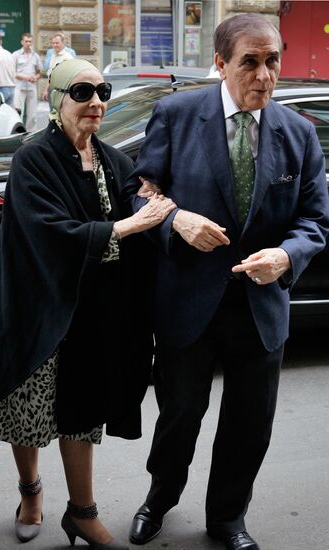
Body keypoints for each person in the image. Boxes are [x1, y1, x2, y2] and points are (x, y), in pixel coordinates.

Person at [125, 13, 329, 550]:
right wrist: (176, 221)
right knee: (179, 417)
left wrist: (286, 256)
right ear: (220, 63)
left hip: (260, 308)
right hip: (187, 303)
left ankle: (227, 519)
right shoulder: (175, 115)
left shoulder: (299, 134)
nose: (265, 75)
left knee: (248, 424)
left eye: (273, 61)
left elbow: (315, 221)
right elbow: (140, 194)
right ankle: (159, 499)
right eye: (250, 62)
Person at [0, 58, 175, 548]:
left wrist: (154, 203)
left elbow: (141, 202)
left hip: (90, 313)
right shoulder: (33, 159)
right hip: (37, 306)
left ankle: (82, 512)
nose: (96, 102)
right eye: (82, 92)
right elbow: (50, 234)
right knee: (29, 409)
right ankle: (31, 492)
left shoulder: (113, 161)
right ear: (56, 99)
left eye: (102, 91)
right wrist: (129, 226)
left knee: (82, 410)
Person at [12, 33, 42, 132]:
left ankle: (30, 134)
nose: (28, 43)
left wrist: (36, 77)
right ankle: (17, 134)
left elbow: (39, 72)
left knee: (32, 115)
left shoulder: (36, 56)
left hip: (31, 87)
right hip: (19, 87)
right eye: (26, 41)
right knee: (18, 112)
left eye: (30, 41)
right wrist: (25, 77)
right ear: (22, 42)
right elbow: (12, 72)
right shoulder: (16, 55)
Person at [41, 33, 76, 102]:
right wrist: (45, 90)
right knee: (52, 112)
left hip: (64, 91)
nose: (54, 45)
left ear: (63, 43)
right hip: (53, 90)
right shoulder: (53, 55)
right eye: (53, 43)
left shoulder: (68, 57)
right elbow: (51, 75)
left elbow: (73, 75)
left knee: (63, 112)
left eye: (57, 43)